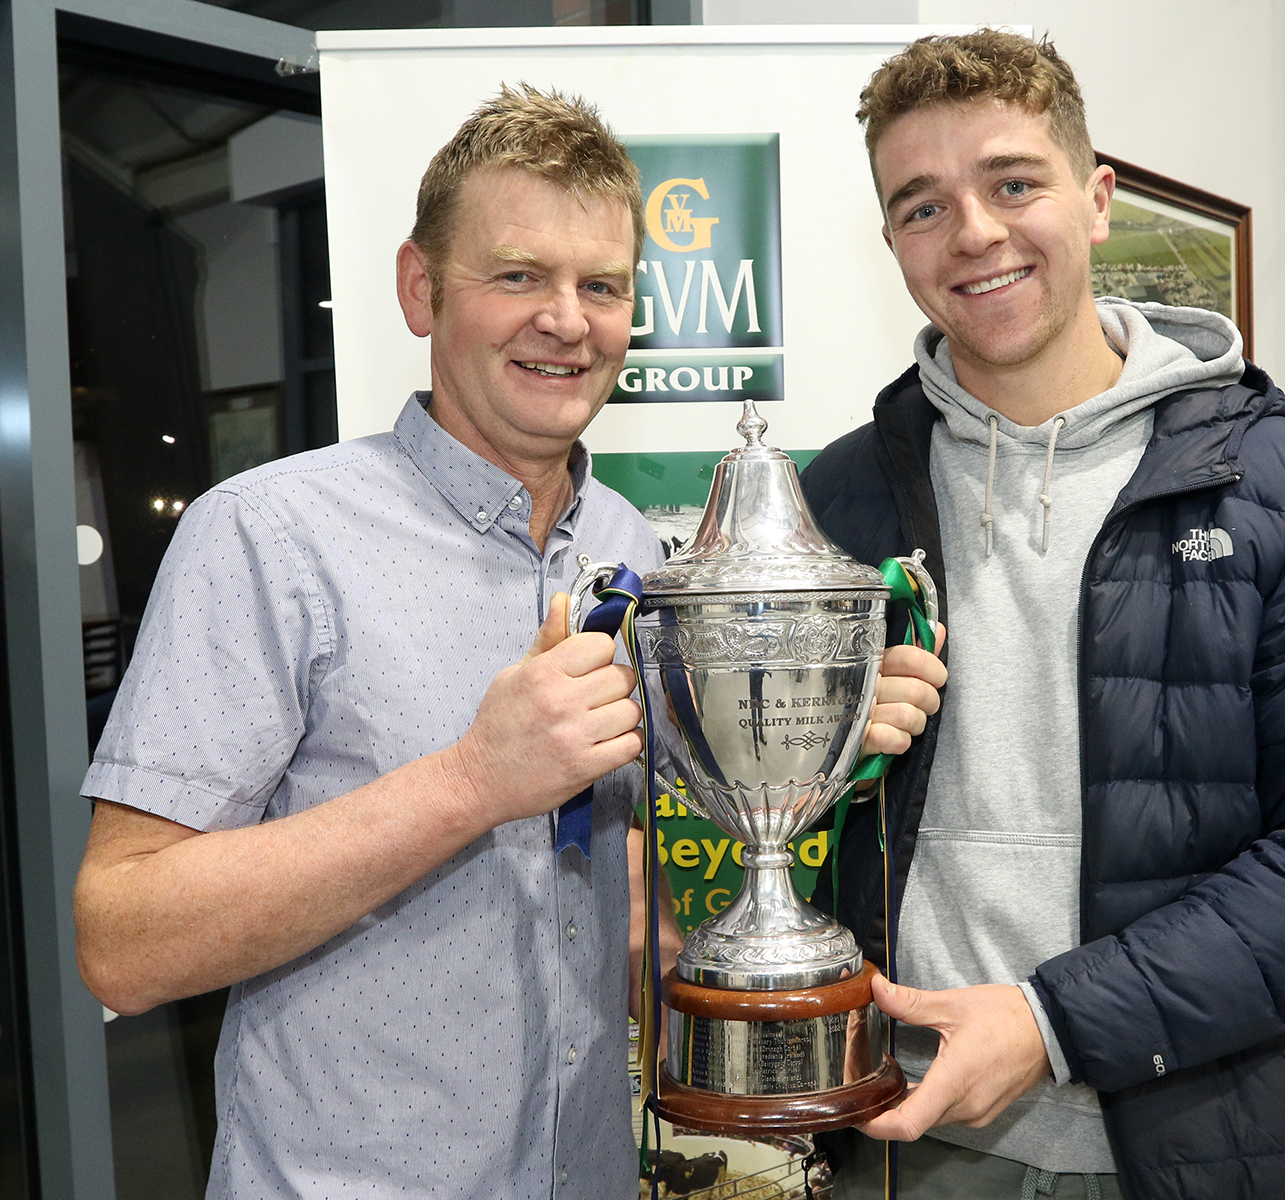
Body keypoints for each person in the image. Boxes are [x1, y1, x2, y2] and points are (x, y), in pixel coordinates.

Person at [71, 85, 940, 1200]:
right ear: (421, 288)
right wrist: (475, 780)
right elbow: (125, 940)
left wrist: (797, 731)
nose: (567, 320)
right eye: (519, 274)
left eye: (603, 287)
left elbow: (609, 879)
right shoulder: (270, 533)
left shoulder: (631, 548)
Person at [801, 29, 1285, 1200]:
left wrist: (1054, 1024)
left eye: (1012, 184)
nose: (977, 235)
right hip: (898, 1135)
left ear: (1097, 201)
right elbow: (773, 821)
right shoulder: (834, 499)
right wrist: (829, 756)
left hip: (1187, 1140)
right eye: (923, 206)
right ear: (893, 239)